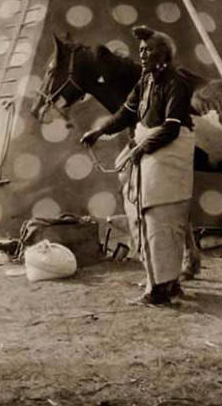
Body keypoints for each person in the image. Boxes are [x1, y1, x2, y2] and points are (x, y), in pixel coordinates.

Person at [81, 25, 195, 306]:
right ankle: (163, 282)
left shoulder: (176, 83)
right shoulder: (145, 81)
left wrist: (142, 148)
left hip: (169, 152)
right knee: (138, 212)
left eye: (149, 51)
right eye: (141, 50)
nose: (142, 55)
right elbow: (127, 112)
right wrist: (100, 131)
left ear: (164, 55)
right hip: (149, 148)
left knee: (161, 216)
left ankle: (161, 289)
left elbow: (172, 127)